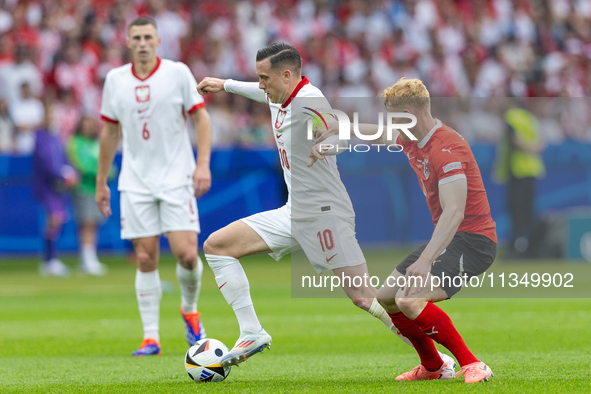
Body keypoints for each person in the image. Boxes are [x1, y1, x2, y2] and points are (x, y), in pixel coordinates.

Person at [196, 43, 453, 369]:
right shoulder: (279, 95)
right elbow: (260, 94)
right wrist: (225, 84)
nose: (261, 85)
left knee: (364, 297)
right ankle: (252, 331)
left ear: (286, 75)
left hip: (325, 213)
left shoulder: (310, 100)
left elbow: (338, 134)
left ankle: (438, 360)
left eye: (265, 78)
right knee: (217, 246)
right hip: (294, 212)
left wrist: (326, 145)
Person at [309, 78, 497, 383]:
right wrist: (340, 127)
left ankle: (472, 363)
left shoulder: (447, 148)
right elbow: (379, 134)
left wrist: (424, 261)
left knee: (409, 299)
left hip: (473, 242)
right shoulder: (412, 134)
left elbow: (454, 211)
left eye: (394, 115)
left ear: (409, 113)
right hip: (449, 240)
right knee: (387, 297)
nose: (390, 122)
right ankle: (433, 367)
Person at [96, 17, 213, 356]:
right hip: (135, 181)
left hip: (177, 177)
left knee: (188, 255)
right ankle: (151, 337)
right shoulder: (115, 80)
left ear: (158, 40)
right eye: (137, 38)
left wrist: (202, 164)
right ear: (128, 42)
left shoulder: (177, 73)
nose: (143, 42)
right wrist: (102, 181)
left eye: (148, 37)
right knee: (145, 256)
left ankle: (190, 311)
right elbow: (109, 131)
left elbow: (200, 117)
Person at [493, 106, 545, 258]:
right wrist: (534, 148)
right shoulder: (531, 120)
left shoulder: (512, 116)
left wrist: (529, 148)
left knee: (517, 212)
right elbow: (540, 142)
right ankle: (528, 246)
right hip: (530, 171)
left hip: (518, 171)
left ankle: (517, 248)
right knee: (527, 212)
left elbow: (514, 140)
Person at [32, 103, 77, 277]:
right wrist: (61, 175)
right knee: (53, 219)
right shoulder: (40, 136)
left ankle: (51, 260)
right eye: (51, 115)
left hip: (59, 187)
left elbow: (63, 158)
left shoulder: (56, 137)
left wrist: (70, 172)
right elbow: (45, 162)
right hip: (47, 186)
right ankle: (49, 261)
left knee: (58, 220)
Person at [67, 115, 115, 276]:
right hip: (83, 188)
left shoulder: (97, 142)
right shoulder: (75, 143)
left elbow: (109, 164)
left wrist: (105, 172)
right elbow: (81, 165)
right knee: (87, 223)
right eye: (85, 124)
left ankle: (87, 258)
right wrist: (100, 172)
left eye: (91, 124)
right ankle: (88, 259)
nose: (88, 128)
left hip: (97, 188)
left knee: (93, 224)